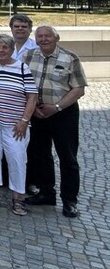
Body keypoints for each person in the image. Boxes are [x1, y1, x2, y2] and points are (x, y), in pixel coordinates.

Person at [24, 25, 87, 218]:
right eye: (40, 36)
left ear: (56, 38)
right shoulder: (28, 56)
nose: (44, 39)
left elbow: (79, 89)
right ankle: (46, 193)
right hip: (37, 113)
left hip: (63, 113)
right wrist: (32, 108)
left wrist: (57, 107)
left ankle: (69, 200)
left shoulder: (70, 57)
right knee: (40, 154)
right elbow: (23, 83)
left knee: (67, 157)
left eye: (47, 36)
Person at [0, 34, 37, 216]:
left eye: (5, 47)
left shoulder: (21, 68)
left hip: (15, 124)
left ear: (12, 49)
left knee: (17, 157)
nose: (1, 50)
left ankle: (18, 196)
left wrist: (24, 121)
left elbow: (32, 96)